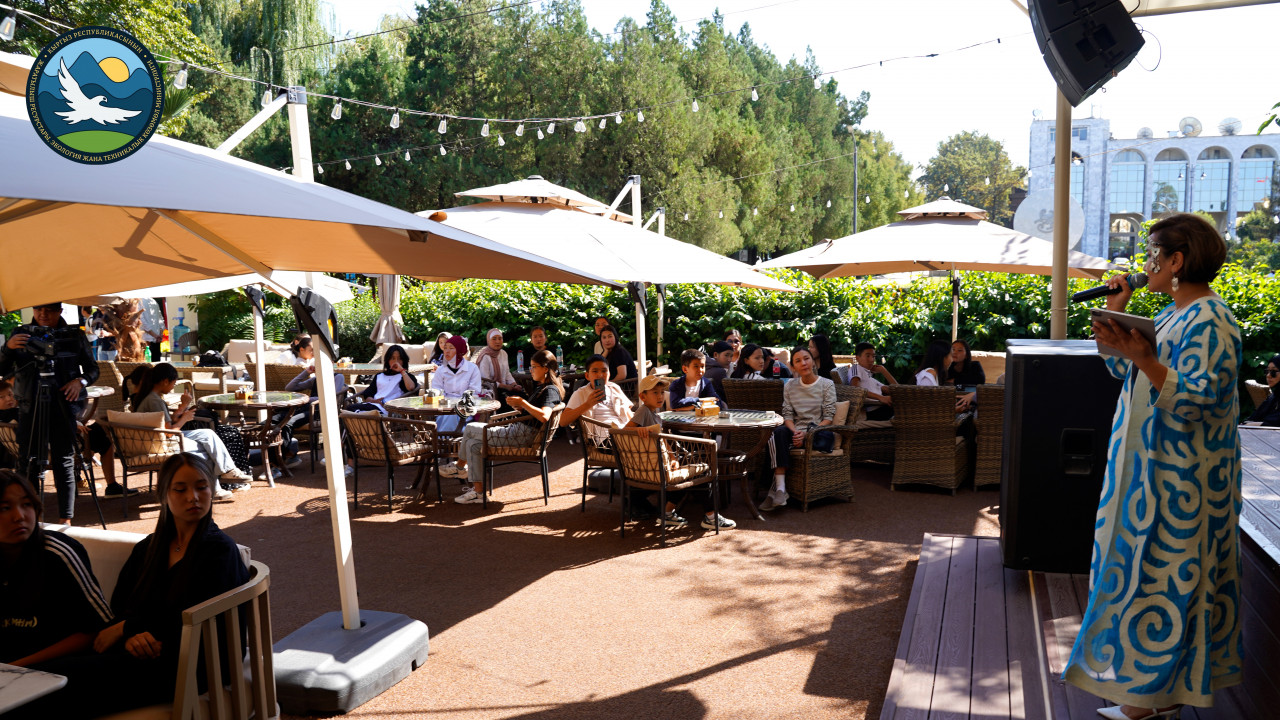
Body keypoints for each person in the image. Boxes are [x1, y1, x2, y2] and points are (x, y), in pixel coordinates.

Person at [1065, 213, 1242, 719]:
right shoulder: (1171, 314)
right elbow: (1126, 371)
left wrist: (1144, 359)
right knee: (1145, 580)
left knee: (1171, 583)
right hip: (1149, 475)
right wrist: (1116, 316)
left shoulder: (1212, 319)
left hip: (1182, 481)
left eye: (1152, 255)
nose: (1145, 264)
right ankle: (1149, 695)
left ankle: (1156, 697)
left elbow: (1200, 399)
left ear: (1176, 261)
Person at [31, 454, 251, 719]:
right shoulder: (149, 548)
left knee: (60, 684)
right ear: (163, 494)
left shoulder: (220, 550)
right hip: (143, 654)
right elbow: (121, 604)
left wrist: (128, 629)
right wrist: (130, 635)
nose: (193, 497)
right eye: (180, 489)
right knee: (49, 675)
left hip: (195, 662)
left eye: (201, 487)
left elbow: (196, 616)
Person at [0, 470, 112, 669]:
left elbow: (97, 630)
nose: (19, 516)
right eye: (5, 508)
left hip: (56, 669)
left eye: (27, 504)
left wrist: (16, 667)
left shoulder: (57, 553)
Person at [0, 302, 99, 525]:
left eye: (50, 310)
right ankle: (31, 517)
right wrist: (8, 348)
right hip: (29, 407)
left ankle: (66, 520)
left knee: (64, 460)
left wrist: (80, 382)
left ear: (59, 311)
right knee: (28, 462)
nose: (43, 314)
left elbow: (93, 369)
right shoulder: (21, 334)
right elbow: (2, 370)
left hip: (63, 405)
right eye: (39, 309)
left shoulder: (73, 335)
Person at [453, 349, 564, 504]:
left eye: (534, 367)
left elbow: (544, 416)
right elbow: (535, 414)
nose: (531, 370)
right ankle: (478, 493)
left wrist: (523, 403)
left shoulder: (550, 390)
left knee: (471, 428)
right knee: (472, 444)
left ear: (545, 369)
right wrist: (521, 408)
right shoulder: (542, 387)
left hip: (523, 436)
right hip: (520, 432)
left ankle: (458, 467)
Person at [628, 375, 735, 531]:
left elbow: (662, 440)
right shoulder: (643, 411)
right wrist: (639, 430)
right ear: (642, 397)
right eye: (654, 393)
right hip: (655, 467)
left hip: (660, 463)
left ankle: (668, 514)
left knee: (692, 470)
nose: (660, 396)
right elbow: (623, 431)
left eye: (661, 392)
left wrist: (673, 458)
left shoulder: (654, 414)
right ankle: (711, 517)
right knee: (700, 471)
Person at [132, 364, 252, 496]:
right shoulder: (155, 401)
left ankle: (226, 474)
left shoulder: (150, 397)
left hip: (155, 439)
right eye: (173, 383)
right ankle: (219, 483)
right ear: (165, 381)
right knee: (205, 449)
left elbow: (167, 424)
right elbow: (168, 433)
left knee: (208, 434)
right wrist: (185, 418)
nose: (173, 387)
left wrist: (183, 407)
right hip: (160, 443)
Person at [560, 355, 656, 517]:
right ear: (587, 375)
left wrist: (641, 425)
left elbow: (629, 413)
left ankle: (638, 497)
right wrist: (588, 404)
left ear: (609, 374)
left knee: (656, 445)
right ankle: (637, 499)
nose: (600, 375)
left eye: (604, 371)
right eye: (595, 371)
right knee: (644, 452)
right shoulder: (581, 394)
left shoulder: (614, 388)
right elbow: (563, 421)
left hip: (625, 433)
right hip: (604, 441)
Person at [762, 346, 836, 511]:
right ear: (793, 367)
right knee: (776, 433)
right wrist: (796, 432)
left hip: (817, 432)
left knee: (778, 443)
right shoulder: (790, 386)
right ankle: (781, 489)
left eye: (806, 358)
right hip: (795, 431)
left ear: (812, 361)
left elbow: (828, 418)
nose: (803, 363)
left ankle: (773, 491)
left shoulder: (827, 384)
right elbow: (787, 415)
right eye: (798, 361)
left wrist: (806, 434)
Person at [350, 344, 418, 414]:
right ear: (388, 360)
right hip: (374, 406)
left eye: (399, 359)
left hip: (389, 410)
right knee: (350, 408)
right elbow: (368, 394)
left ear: (403, 361)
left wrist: (402, 371)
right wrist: (374, 401)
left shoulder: (405, 377)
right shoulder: (379, 376)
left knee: (355, 411)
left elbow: (411, 387)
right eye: (393, 358)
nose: (396, 362)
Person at [849, 342, 897, 421]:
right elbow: (855, 389)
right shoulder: (856, 368)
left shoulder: (868, 375)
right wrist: (881, 398)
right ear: (857, 358)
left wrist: (884, 371)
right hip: (873, 411)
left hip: (882, 408)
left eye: (873, 356)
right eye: (868, 356)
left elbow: (897, 390)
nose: (872, 360)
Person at [474, 328, 523, 404]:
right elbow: (486, 381)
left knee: (522, 396)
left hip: (505, 388)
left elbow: (507, 373)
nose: (497, 341)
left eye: (500, 338)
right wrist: (506, 387)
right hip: (490, 391)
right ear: (488, 341)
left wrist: (514, 385)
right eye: (494, 339)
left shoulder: (503, 353)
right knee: (510, 401)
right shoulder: (485, 356)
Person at [1247, 354, 1280, 426]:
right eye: (1267, 371)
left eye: (1273, 372)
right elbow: (1254, 417)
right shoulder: (1274, 397)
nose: (1268, 375)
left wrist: (1254, 424)